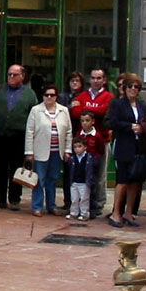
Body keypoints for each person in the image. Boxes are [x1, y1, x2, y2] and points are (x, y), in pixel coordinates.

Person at [0, 64, 37, 210]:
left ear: (22, 76)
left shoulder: (29, 94)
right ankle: (0, 198)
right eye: (9, 74)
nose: (11, 77)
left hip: (18, 136)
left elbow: (33, 116)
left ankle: (15, 199)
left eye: (15, 75)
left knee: (16, 168)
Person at [108, 73, 146, 228]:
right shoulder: (117, 104)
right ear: (124, 88)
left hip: (139, 147)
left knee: (135, 182)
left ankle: (129, 212)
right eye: (130, 86)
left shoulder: (143, 106)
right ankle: (116, 213)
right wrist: (129, 127)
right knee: (122, 181)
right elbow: (113, 122)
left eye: (136, 87)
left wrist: (143, 128)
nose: (133, 89)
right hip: (124, 146)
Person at [70, 68, 114, 214]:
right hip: (82, 142)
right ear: (90, 80)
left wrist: (85, 109)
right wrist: (93, 110)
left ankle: (98, 204)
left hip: (101, 140)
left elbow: (105, 112)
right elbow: (75, 112)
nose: (96, 81)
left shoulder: (109, 97)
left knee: (99, 174)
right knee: (82, 173)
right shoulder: (82, 95)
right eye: (93, 78)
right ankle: (82, 204)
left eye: (99, 78)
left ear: (104, 80)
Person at [24, 84, 72, 217]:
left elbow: (68, 131)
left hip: (57, 151)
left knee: (53, 179)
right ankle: (37, 206)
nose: (49, 97)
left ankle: (51, 205)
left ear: (56, 97)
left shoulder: (63, 111)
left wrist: (68, 150)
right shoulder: (36, 110)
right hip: (40, 151)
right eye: (47, 95)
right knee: (39, 180)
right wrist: (29, 152)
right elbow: (29, 132)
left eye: (52, 95)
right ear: (43, 96)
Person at [58, 71, 85, 208]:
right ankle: (68, 201)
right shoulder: (62, 97)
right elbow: (59, 112)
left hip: (81, 136)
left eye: (77, 81)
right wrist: (70, 107)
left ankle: (82, 201)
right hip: (67, 136)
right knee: (68, 170)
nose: (75, 83)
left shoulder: (85, 96)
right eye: (72, 80)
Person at [77, 111, 107, 218]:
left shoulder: (97, 136)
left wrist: (95, 161)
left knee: (92, 187)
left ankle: (93, 208)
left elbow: (101, 150)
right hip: (80, 165)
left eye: (87, 120)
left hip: (92, 166)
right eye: (82, 121)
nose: (84, 123)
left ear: (93, 122)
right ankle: (80, 207)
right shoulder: (79, 134)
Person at [65, 136, 95, 221]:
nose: (77, 149)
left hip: (84, 183)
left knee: (84, 199)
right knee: (74, 199)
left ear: (85, 147)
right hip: (74, 182)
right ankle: (73, 213)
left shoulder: (89, 158)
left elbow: (91, 170)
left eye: (79, 146)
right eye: (75, 147)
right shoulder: (72, 159)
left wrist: (90, 181)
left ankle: (84, 214)